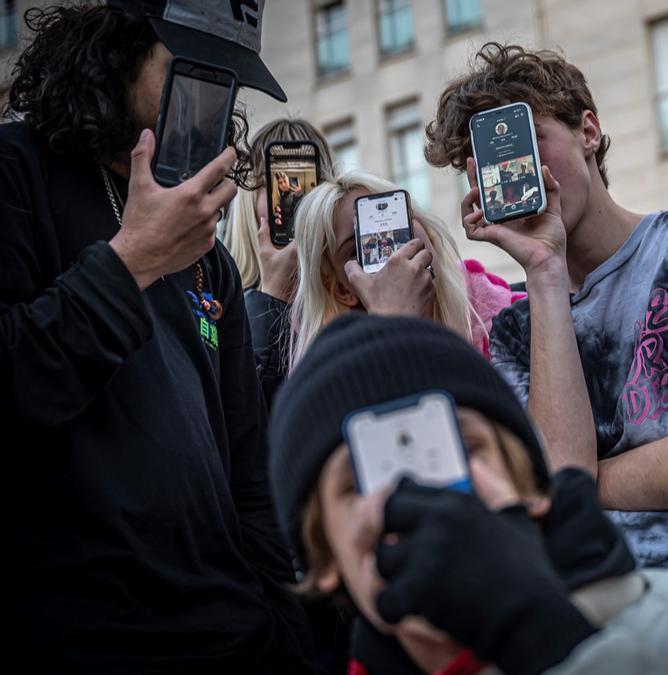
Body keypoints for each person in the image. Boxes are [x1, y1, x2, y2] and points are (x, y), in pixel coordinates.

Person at [426, 42, 668, 605]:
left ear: (589, 131)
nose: (522, 174)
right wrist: (544, 269)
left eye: (529, 144)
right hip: (583, 605)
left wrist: (577, 483)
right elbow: (549, 491)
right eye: (495, 165)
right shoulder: (516, 329)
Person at [0, 1, 317, 671]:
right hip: (81, 634)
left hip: (232, 633)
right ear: (122, 48)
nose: (210, 98)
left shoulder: (209, 252)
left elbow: (248, 471)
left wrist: (285, 633)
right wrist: (132, 259)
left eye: (228, 79)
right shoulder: (16, 170)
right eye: (194, 69)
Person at [267, 313, 668, 675]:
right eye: (359, 477)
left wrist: (549, 645)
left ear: (531, 488)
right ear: (326, 562)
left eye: (457, 448)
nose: (413, 494)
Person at [288, 170, 522, 368]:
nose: (395, 255)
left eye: (398, 225)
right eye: (360, 249)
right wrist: (394, 323)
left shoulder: (516, 317)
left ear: (426, 230)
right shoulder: (338, 375)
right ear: (342, 289)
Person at [220, 117, 335, 407]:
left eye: (307, 182)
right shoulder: (219, 303)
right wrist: (272, 295)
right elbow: (241, 422)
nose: (292, 199)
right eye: (274, 183)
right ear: (248, 201)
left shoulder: (351, 290)